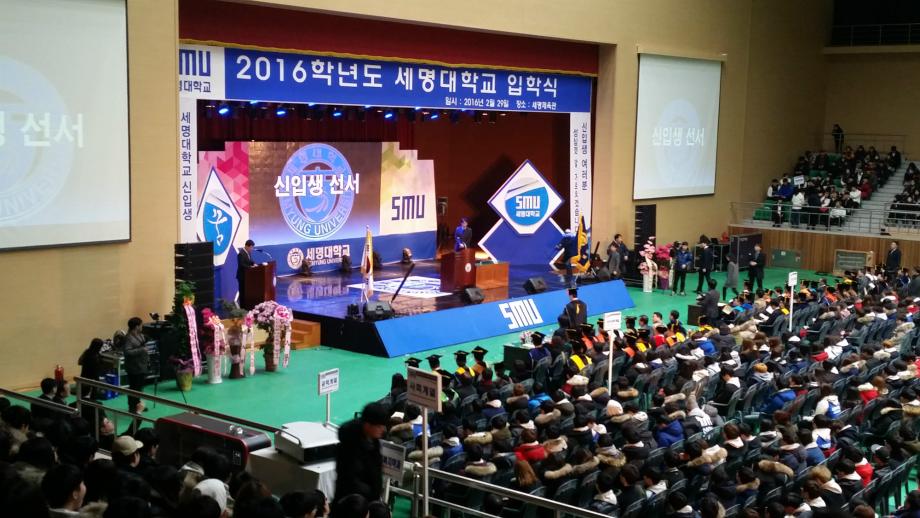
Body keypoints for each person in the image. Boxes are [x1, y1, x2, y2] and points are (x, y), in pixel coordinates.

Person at [334, 402, 386, 502]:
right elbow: (349, 479)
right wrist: (371, 495)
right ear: (367, 425)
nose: (383, 429)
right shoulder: (349, 446)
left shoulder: (373, 440)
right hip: (353, 501)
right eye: (379, 426)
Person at [122, 317, 149, 414]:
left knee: (139, 388)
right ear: (136, 326)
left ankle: (138, 405)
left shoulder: (140, 335)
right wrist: (142, 350)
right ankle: (132, 407)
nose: (142, 326)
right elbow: (127, 352)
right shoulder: (128, 338)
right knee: (134, 388)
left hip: (142, 366)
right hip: (133, 367)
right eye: (141, 325)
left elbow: (143, 345)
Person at [236, 239, 256, 305]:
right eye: (251, 247)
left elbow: (249, 261)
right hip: (242, 276)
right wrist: (250, 267)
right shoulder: (241, 254)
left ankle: (246, 305)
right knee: (242, 292)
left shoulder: (248, 252)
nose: (252, 249)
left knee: (246, 291)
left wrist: (254, 263)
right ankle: (242, 306)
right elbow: (241, 264)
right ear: (247, 246)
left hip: (247, 276)